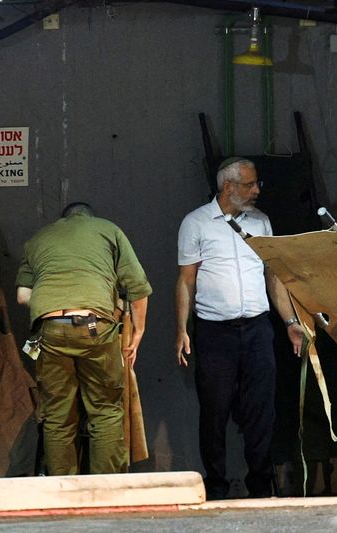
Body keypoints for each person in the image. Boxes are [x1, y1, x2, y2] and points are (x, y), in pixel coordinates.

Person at [175, 157, 304, 500]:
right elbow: (186, 280)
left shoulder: (261, 222)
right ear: (229, 187)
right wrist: (182, 329)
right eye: (250, 184)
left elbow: (272, 276)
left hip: (258, 329)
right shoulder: (197, 223)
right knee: (214, 411)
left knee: (261, 411)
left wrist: (290, 322)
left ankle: (260, 488)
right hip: (215, 332)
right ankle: (216, 487)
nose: (257, 190)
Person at [16, 202, 152, 475]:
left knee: (57, 415)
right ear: (90, 219)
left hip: (50, 328)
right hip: (94, 326)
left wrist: (56, 304)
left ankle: (62, 491)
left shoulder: (39, 238)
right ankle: (106, 491)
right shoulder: (109, 230)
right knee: (105, 410)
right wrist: (138, 333)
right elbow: (137, 287)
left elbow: (23, 296)